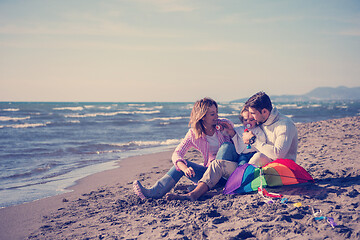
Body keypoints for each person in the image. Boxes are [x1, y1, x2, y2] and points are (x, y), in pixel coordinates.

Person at [166, 91, 298, 201]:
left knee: (257, 156)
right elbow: (241, 137)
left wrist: (253, 141)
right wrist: (232, 133)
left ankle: (211, 191)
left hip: (277, 171)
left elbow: (278, 154)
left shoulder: (284, 125)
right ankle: (195, 193)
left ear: (264, 111)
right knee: (217, 164)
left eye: (252, 114)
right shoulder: (262, 122)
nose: (250, 118)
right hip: (252, 169)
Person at [133, 97, 234, 199]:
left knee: (226, 146)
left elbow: (234, 131)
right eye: (212, 114)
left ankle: (198, 189)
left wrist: (226, 128)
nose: (217, 116)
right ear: (202, 116)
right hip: (209, 175)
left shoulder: (223, 125)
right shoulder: (193, 134)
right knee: (181, 164)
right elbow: (176, 154)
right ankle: (154, 192)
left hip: (228, 175)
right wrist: (185, 168)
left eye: (217, 112)